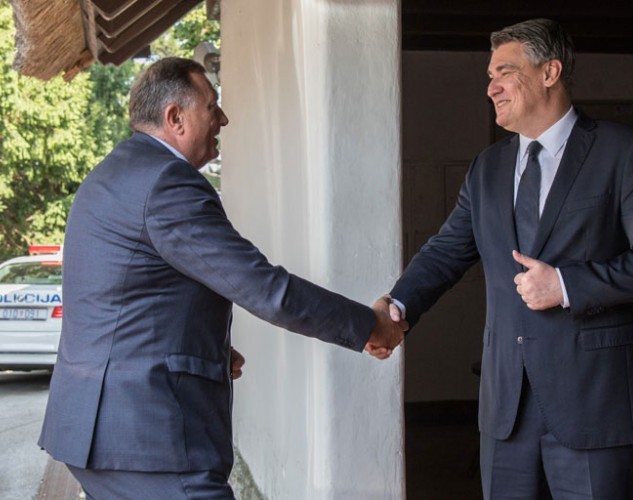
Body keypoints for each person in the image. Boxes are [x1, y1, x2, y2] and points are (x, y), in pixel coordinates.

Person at [37, 57, 405, 499]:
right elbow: (265, 289)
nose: (224, 119)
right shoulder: (167, 183)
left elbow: (122, 299)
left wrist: (204, 347)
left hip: (98, 426)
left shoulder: (113, 174)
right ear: (175, 118)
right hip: (146, 436)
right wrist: (368, 326)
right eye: (212, 106)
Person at [374, 19, 633, 499]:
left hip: (595, 401)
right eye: (489, 76)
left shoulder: (622, 151)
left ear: (549, 72)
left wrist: (566, 285)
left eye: (505, 72)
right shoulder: (487, 167)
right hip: (507, 408)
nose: (491, 87)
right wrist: (396, 307)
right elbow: (445, 251)